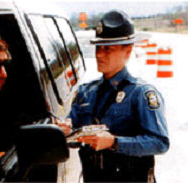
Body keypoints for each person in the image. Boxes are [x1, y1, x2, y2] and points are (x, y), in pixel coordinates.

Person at [57, 10, 169, 183]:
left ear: (128, 51)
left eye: (108, 49)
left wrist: (114, 142)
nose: (100, 55)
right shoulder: (86, 92)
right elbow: (73, 137)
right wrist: (64, 132)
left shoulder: (140, 93)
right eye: (98, 48)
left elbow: (160, 142)